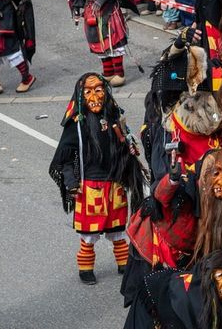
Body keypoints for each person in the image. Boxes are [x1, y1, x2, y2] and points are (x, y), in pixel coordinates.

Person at [48, 73, 145, 285]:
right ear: (81, 96)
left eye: (99, 89)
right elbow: (64, 159)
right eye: (88, 91)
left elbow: (127, 145)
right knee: (89, 236)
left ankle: (123, 263)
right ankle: (85, 267)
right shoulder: (76, 125)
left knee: (118, 230)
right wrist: (71, 182)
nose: (94, 96)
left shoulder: (114, 117)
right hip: (90, 186)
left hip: (115, 183)